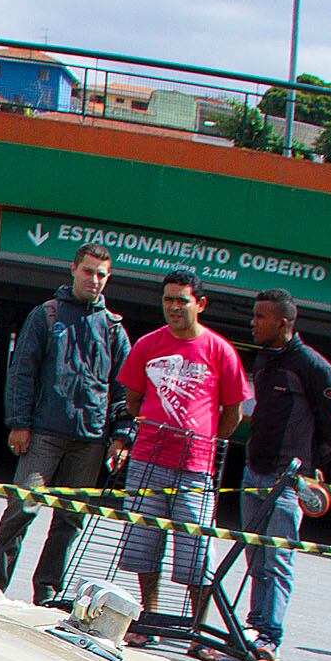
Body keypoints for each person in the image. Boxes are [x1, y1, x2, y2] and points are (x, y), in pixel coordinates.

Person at [0, 241, 130, 604]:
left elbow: (124, 389)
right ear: (73, 269)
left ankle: (47, 592)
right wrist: (19, 423)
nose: (94, 280)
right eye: (88, 271)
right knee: (21, 507)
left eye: (101, 275)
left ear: (109, 279)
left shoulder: (113, 329)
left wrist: (120, 436)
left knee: (70, 521)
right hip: (43, 433)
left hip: (90, 440)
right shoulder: (47, 315)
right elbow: (23, 371)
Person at [114, 270, 249, 637]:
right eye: (168, 300)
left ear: (200, 304)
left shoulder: (220, 351)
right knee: (144, 548)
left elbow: (234, 412)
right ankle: (148, 621)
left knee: (197, 556)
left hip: (195, 470)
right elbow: (132, 399)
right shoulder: (147, 345)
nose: (173, 307)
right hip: (146, 463)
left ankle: (196, 631)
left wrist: (204, 443)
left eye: (181, 300)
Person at [236, 289, 331, 661]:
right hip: (253, 471)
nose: (254, 322)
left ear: (284, 322)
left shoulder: (314, 368)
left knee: (278, 561)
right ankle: (253, 626)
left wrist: (307, 469)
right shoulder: (264, 358)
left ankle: (270, 638)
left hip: (287, 481)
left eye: (261, 317)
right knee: (255, 558)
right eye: (254, 315)